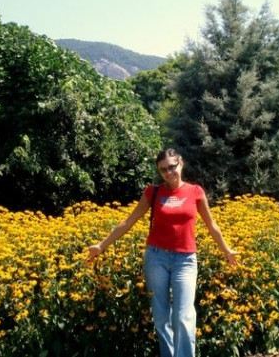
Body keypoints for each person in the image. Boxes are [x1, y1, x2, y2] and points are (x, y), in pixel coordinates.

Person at [87, 148, 237, 357]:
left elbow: (212, 225)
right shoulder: (153, 192)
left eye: (172, 167)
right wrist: (101, 245)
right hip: (156, 258)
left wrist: (227, 250)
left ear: (181, 163)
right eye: (163, 170)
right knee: (161, 316)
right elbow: (128, 221)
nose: (168, 172)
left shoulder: (195, 192)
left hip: (185, 260)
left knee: (183, 315)